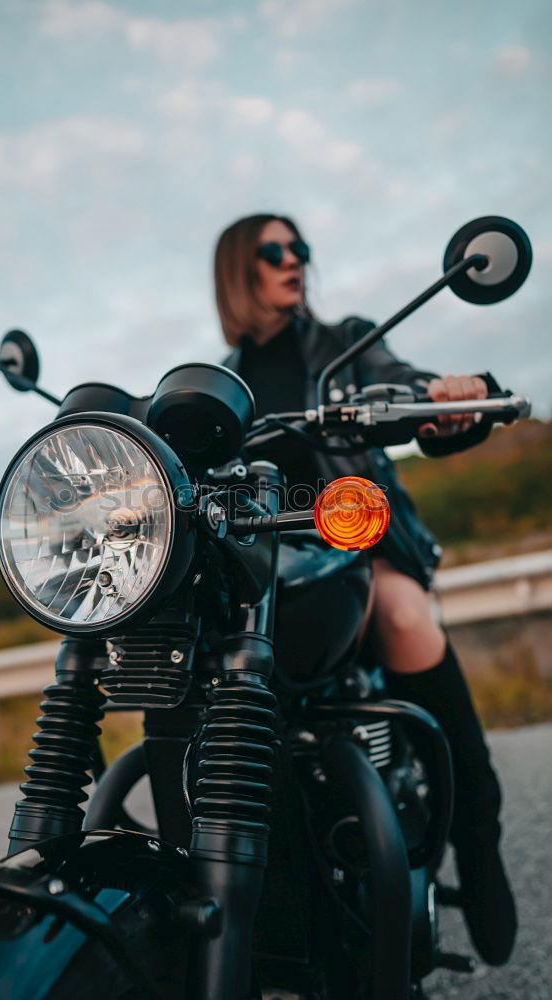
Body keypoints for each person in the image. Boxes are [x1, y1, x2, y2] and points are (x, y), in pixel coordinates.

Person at [213, 212, 517, 966]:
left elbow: (395, 382)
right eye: (275, 250)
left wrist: (444, 398)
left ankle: (477, 836)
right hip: (267, 568)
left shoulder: (340, 343)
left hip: (353, 543)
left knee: (404, 611)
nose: (295, 261)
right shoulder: (223, 385)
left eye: (299, 248)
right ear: (238, 269)